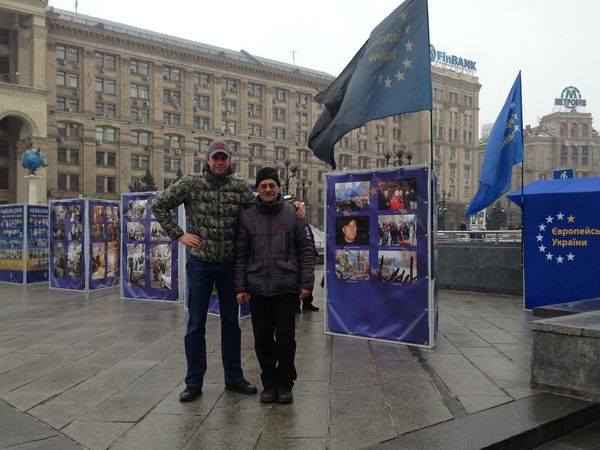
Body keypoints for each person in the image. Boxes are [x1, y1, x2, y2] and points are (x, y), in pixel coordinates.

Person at [152, 141, 306, 403]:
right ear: (208, 159)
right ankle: (194, 382)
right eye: (216, 158)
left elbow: (264, 202)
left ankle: (233, 377)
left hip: (229, 266)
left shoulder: (238, 187)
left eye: (224, 158)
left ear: (229, 161)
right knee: (196, 324)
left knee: (231, 324)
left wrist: (296, 204)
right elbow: (159, 205)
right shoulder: (191, 183)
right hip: (201, 264)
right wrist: (179, 235)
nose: (220, 162)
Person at [235, 167, 315, 404]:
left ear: (278, 188)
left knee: (286, 339)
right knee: (262, 339)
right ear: (258, 189)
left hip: (286, 287)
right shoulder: (247, 217)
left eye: (272, 185)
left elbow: (306, 251)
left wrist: (306, 283)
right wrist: (240, 287)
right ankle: (269, 384)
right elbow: (241, 255)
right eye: (263, 186)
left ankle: (285, 384)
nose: (268, 189)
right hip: (258, 287)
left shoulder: (293, 214)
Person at [298, 224, 320, 313]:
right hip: (295, 259)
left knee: (307, 282)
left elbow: (311, 242)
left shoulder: (305, 226)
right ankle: (296, 306)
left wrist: (315, 254)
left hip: (305, 259)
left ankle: (307, 304)